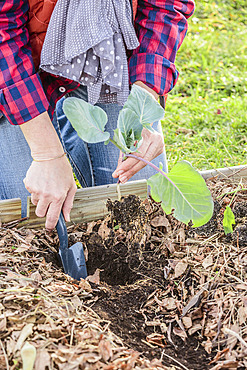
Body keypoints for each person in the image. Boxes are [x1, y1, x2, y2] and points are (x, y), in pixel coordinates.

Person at [0, 0, 195, 230]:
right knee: (29, 220)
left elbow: (166, 7)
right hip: (14, 69)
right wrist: (46, 154)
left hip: (105, 52)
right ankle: (58, 119)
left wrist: (143, 100)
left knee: (140, 206)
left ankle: (73, 115)